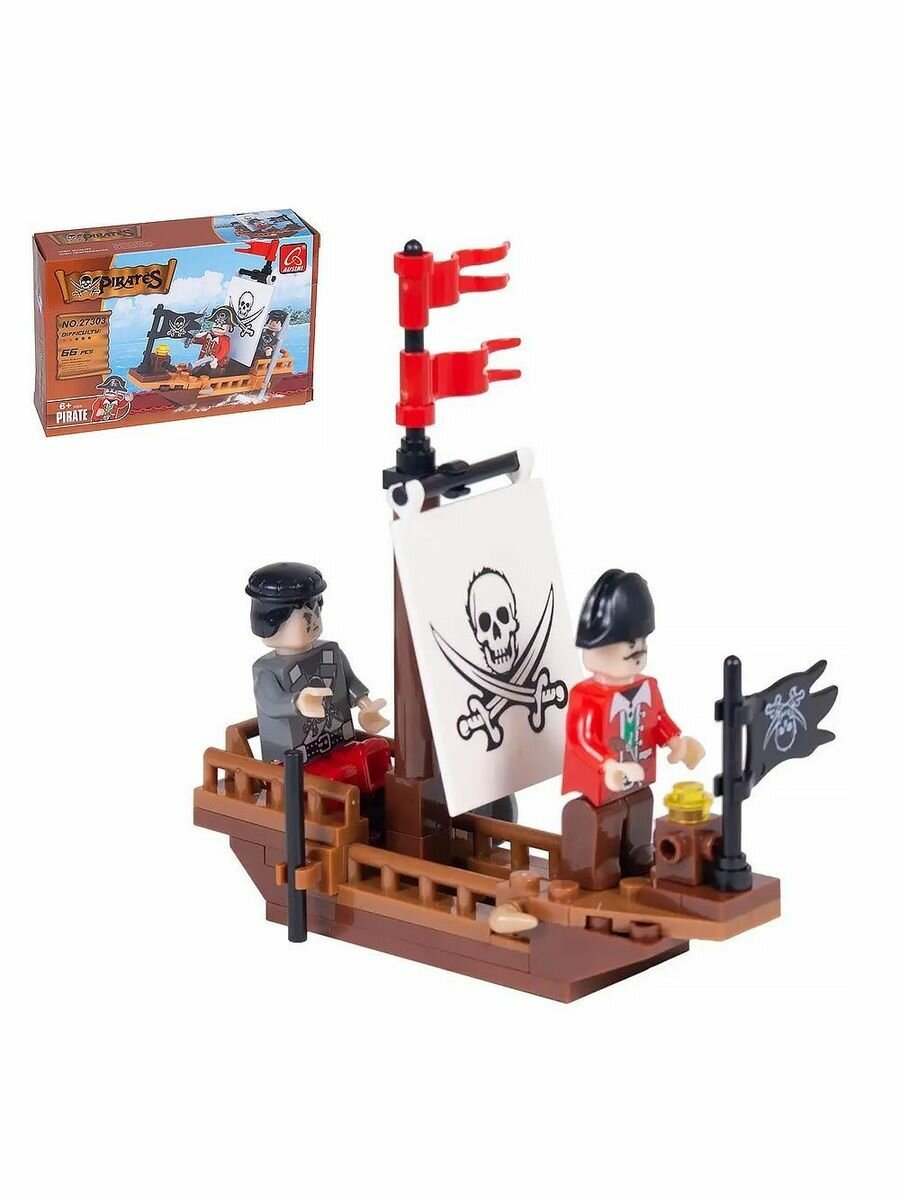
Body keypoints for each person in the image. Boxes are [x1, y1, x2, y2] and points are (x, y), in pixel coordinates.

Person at [560, 569, 704, 890]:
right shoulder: (588, 696)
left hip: (637, 775)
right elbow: (581, 739)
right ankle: (595, 870)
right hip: (606, 780)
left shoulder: (646, 687)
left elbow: (658, 719)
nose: (638, 649)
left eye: (641, 642)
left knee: (640, 808)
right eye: (629, 642)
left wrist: (676, 742)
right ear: (597, 648)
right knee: (602, 819)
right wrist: (607, 766)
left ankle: (637, 861)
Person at [248, 562, 390, 793]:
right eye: (305, 616)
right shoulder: (267, 671)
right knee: (330, 781)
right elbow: (270, 701)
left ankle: (377, 797)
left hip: (338, 742)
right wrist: (298, 702)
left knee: (375, 750)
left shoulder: (330, 654)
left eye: (316, 611)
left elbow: (349, 681)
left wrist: (366, 706)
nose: (313, 620)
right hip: (294, 763)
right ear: (272, 622)